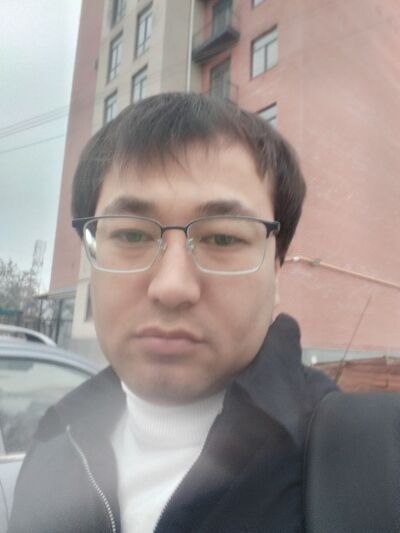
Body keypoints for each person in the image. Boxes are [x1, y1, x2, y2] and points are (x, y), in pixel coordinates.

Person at [9, 93, 337, 533]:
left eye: (222, 239)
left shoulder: (368, 465)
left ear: (276, 270)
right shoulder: (54, 444)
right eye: (130, 235)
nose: (172, 287)